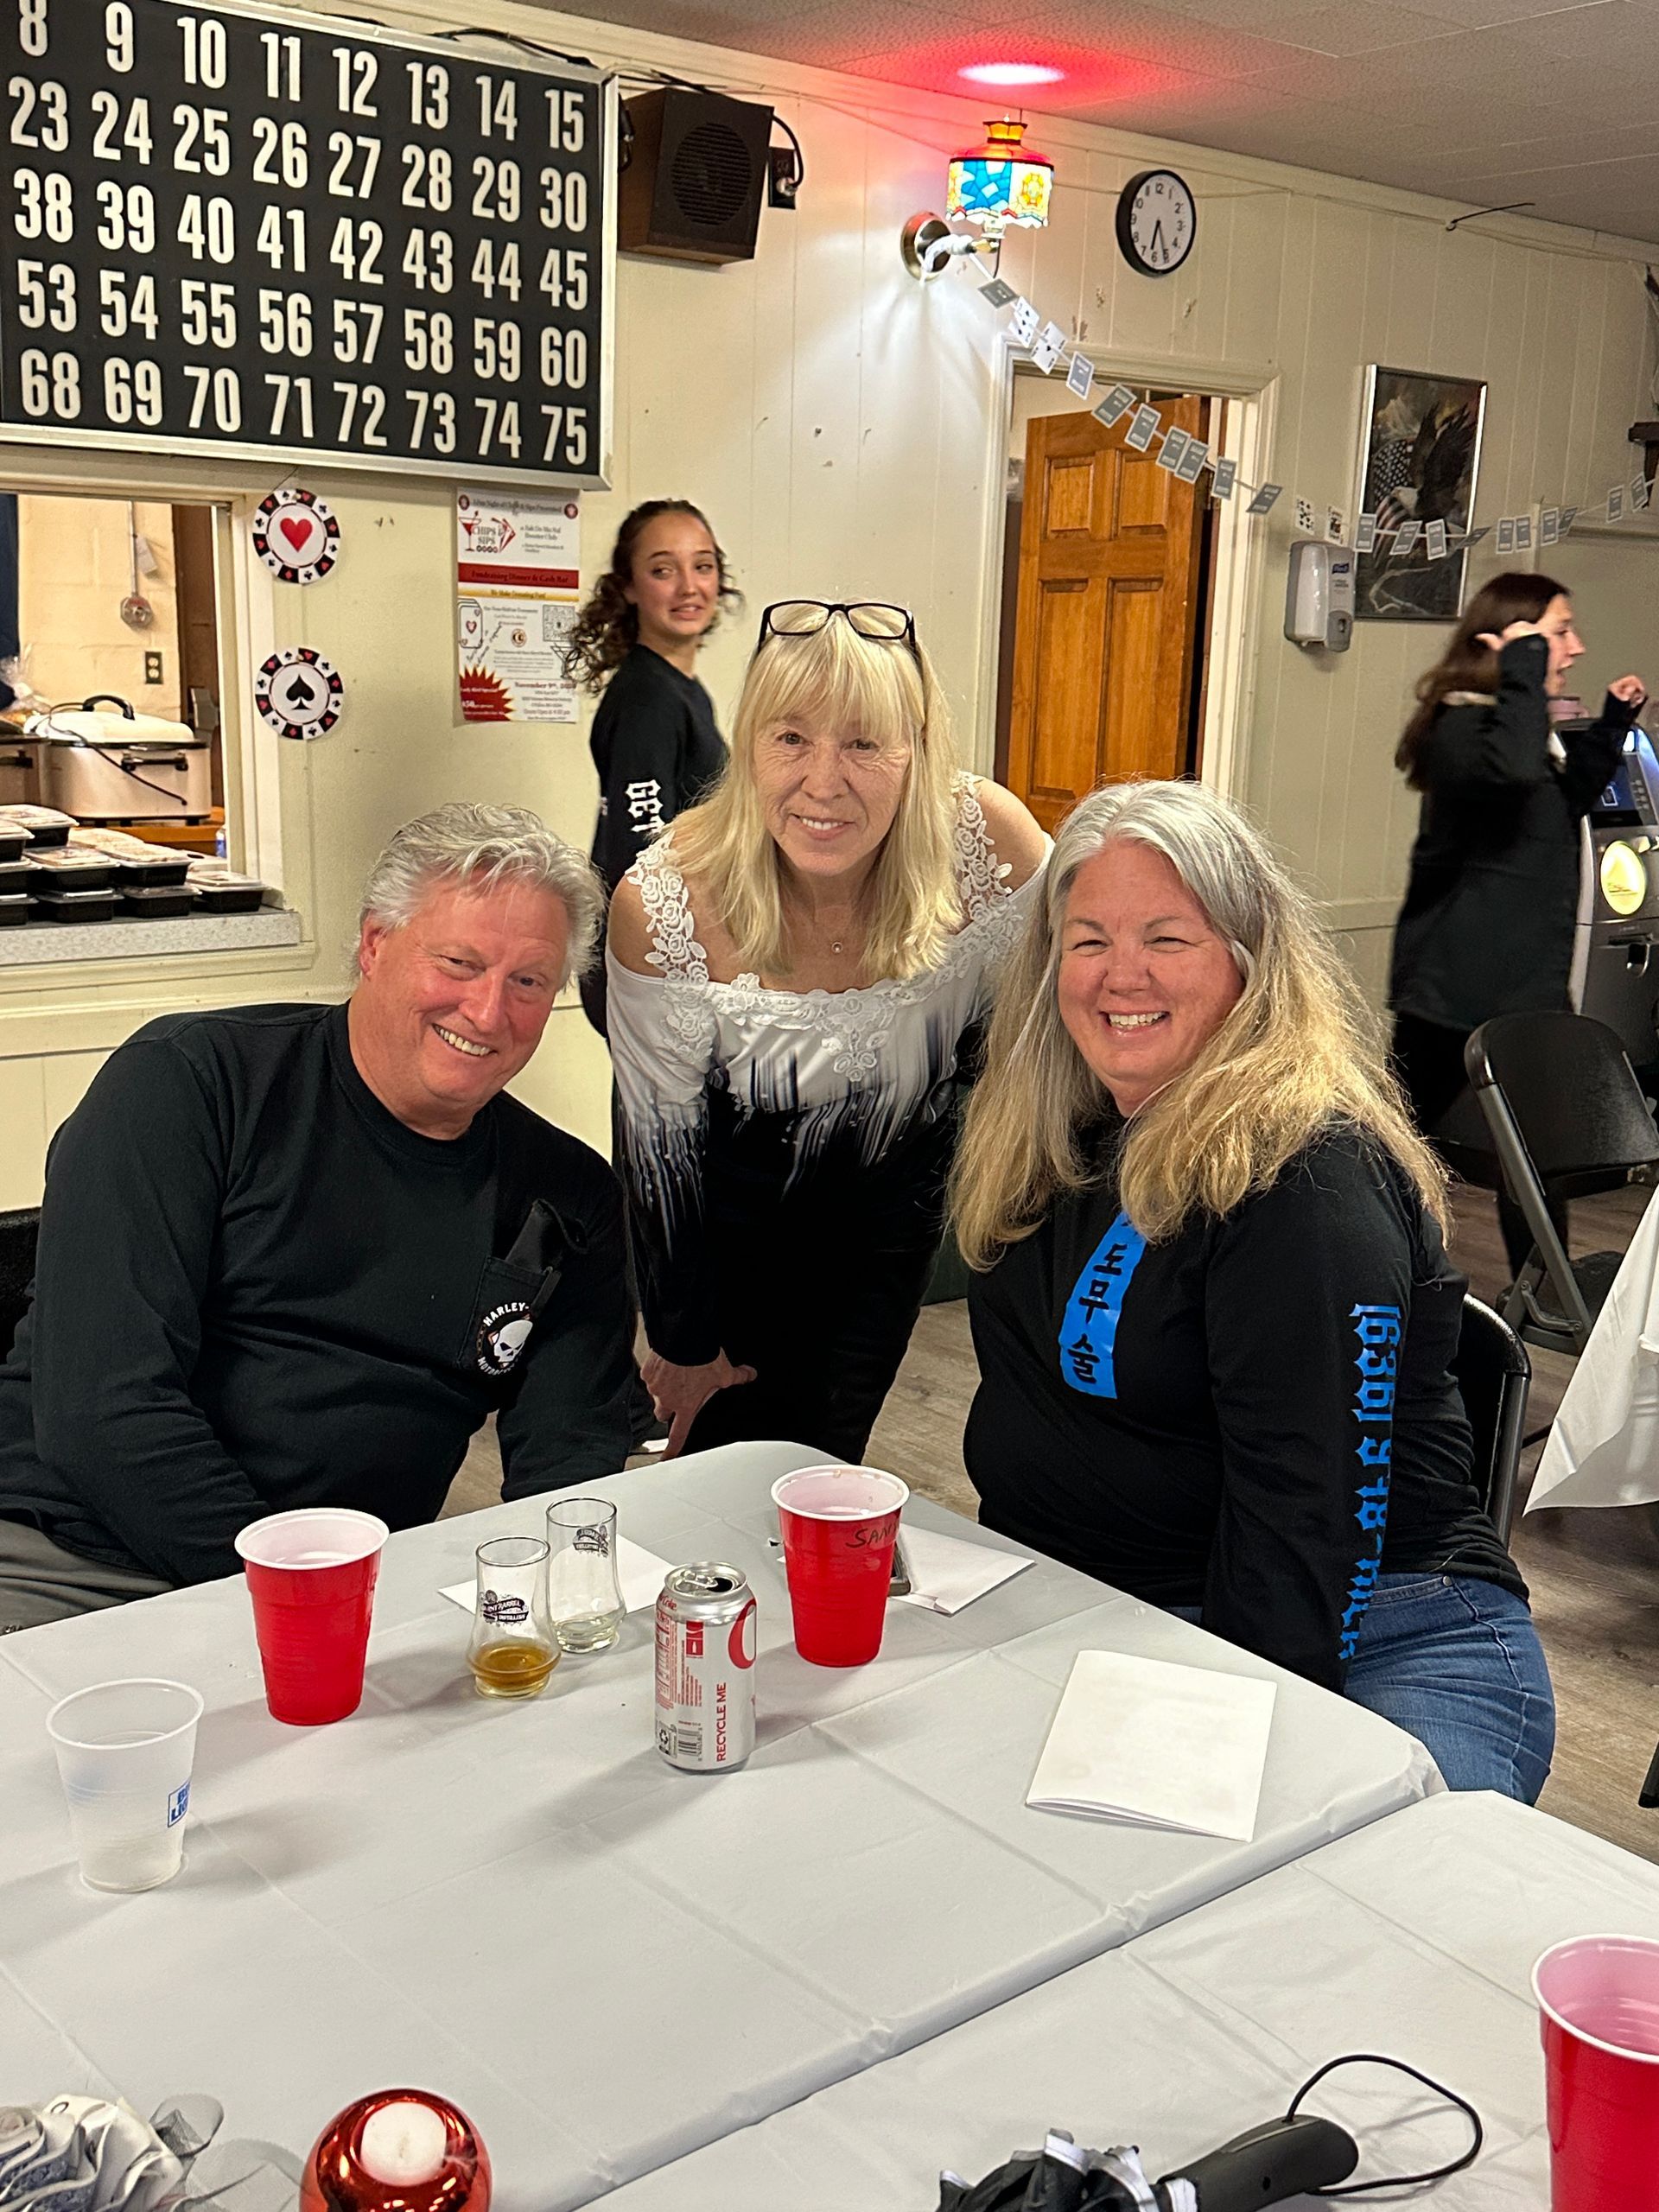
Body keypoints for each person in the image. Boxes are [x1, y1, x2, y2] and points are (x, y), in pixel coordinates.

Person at [952, 778, 1553, 1801]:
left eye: (1167, 938)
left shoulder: (1303, 1176)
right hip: (1115, 1615)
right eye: (1088, 940)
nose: (1120, 973)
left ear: (1247, 957)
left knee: (1335, 1888)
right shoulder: (1059, 1134)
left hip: (1384, 1632)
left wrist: (1204, 1756)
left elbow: (1309, 1527)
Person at [0, 804, 637, 1630]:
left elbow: (569, 1458)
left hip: (357, 1590)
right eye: (458, 963)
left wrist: (556, 1610)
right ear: (374, 944)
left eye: (528, 982)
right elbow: (104, 1411)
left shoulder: (571, 1193)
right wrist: (300, 1600)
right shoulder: (190, 1085)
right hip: (79, 1563)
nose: (488, 1012)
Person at [607, 600, 1047, 1462]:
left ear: (918, 748)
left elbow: (1062, 1021)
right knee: (723, 1471)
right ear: (748, 745)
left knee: (829, 1453)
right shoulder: (665, 903)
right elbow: (658, 1153)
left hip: (896, 1233)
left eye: (864, 743)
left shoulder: (987, 846)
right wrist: (683, 1340)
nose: (823, 780)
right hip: (732, 1253)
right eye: (791, 738)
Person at [1389, 571, 1647, 1267]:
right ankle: (1358, 1268)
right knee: (1389, 1144)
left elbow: (1561, 804)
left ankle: (1542, 1298)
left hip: (1524, 987)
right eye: (1560, 632)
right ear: (1507, 641)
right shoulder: (1463, 730)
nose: (1576, 647)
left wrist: (1613, 724)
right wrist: (1525, 661)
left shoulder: (1518, 730)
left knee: (1534, 1157)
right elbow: (1511, 773)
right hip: (1452, 989)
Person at [564, 499, 739, 1034]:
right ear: (629, 588)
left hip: (667, 962)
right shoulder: (648, 700)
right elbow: (642, 851)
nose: (689, 587)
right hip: (648, 967)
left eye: (702, 566)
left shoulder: (678, 688)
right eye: (663, 570)